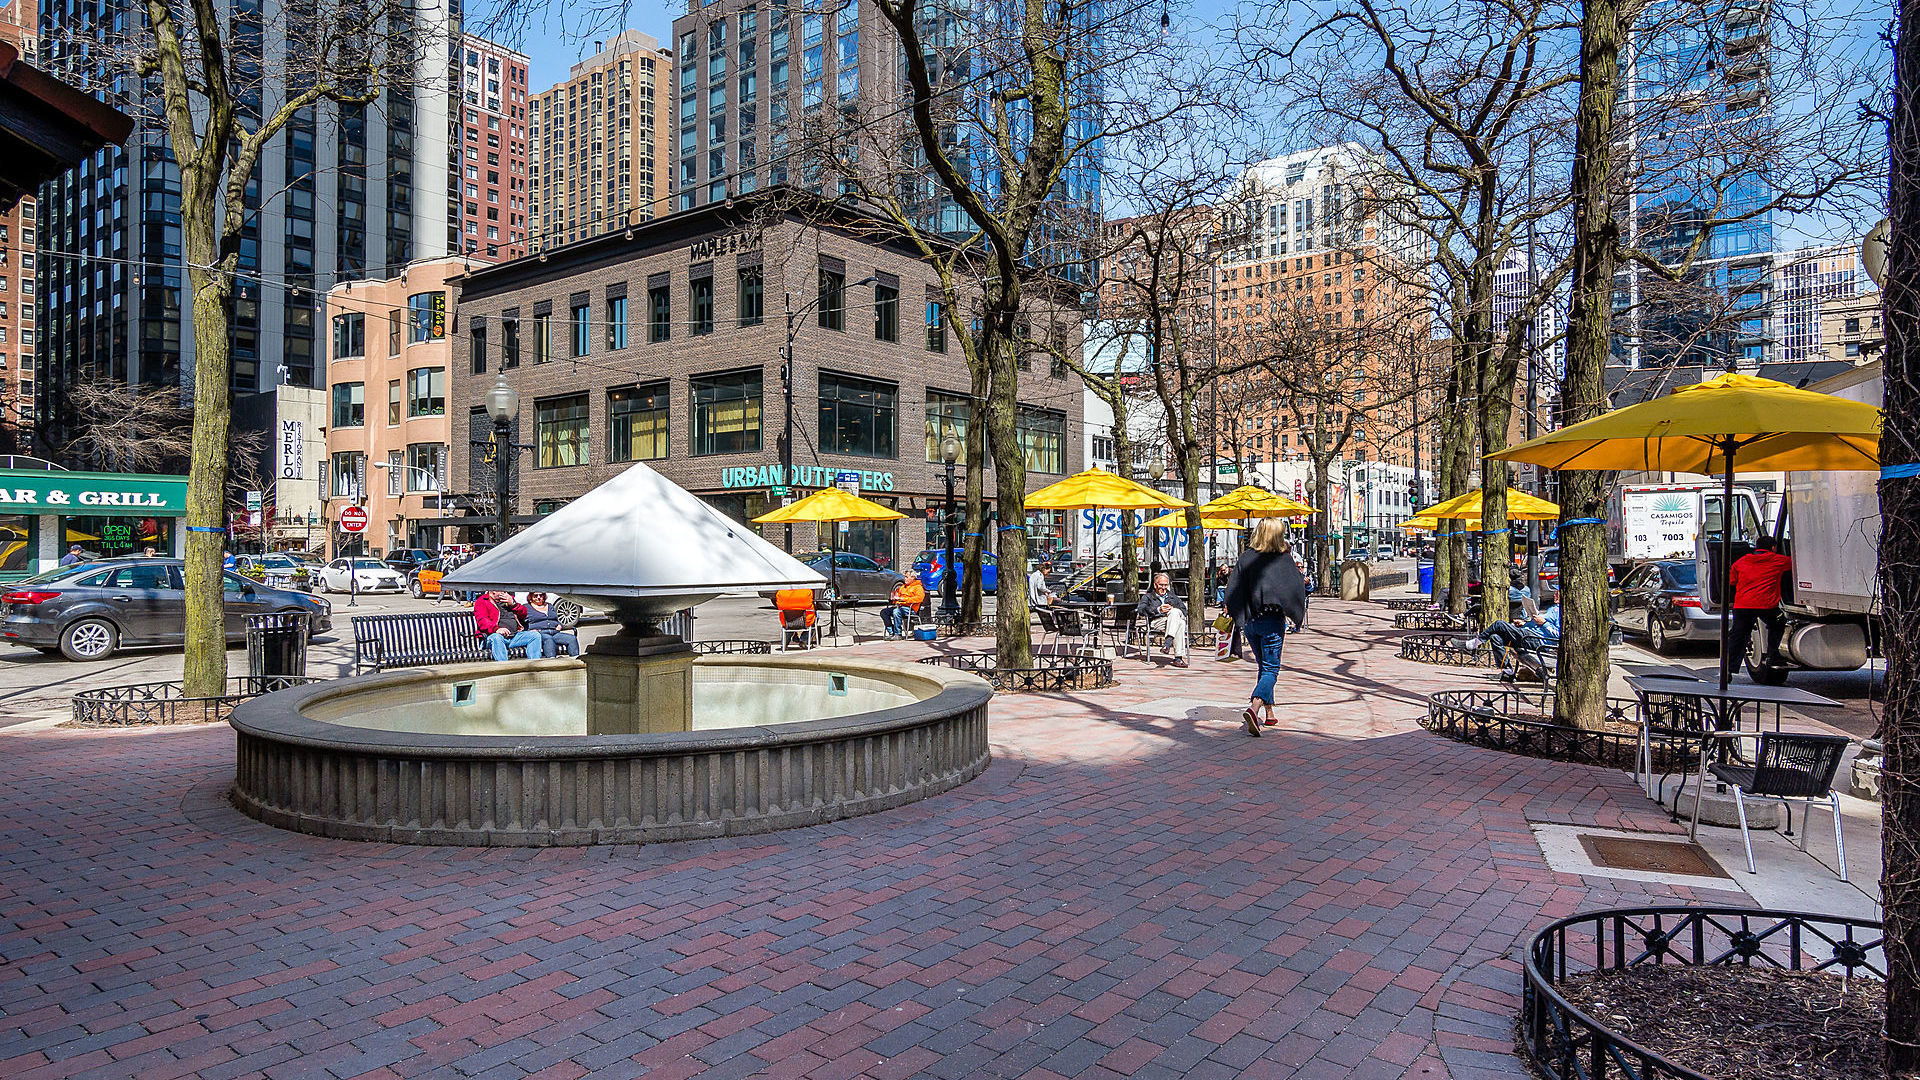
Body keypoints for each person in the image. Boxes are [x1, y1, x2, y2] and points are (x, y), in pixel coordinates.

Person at [1224, 519, 1309, 737]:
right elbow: (1296, 586)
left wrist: (1236, 613)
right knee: (1271, 669)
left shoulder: (1246, 558)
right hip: (1272, 622)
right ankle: (1255, 708)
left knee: (1263, 666)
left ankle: (1269, 713)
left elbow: (1232, 589)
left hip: (1251, 622)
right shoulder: (1282, 560)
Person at [1726, 534, 1794, 679]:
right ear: (1774, 548)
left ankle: (1729, 669)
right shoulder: (1779, 560)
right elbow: (1794, 566)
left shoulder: (1740, 562)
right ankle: (1772, 655)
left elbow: (1732, 581)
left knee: (1738, 636)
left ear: (1756, 547)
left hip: (1743, 606)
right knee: (1779, 622)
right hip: (1767, 607)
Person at [1453, 597, 1562, 679]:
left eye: (1558, 593)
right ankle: (1508, 671)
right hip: (1527, 635)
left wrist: (1544, 623)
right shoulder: (1552, 608)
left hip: (1536, 641)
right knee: (1495, 637)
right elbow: (1536, 625)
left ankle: (1471, 645)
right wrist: (1524, 623)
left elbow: (1558, 634)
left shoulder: (1561, 612)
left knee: (1499, 624)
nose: (1555, 595)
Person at [1136, 572, 1189, 667]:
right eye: (1161, 585)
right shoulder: (1148, 597)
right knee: (1180, 623)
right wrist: (1157, 610)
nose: (1164, 588)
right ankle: (1178, 658)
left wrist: (1173, 610)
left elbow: (1184, 610)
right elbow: (1140, 609)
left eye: (1165, 585)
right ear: (1155, 585)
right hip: (1157, 621)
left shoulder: (1172, 596)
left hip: (1172, 621)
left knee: (1176, 615)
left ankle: (1167, 644)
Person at [474, 590, 544, 661]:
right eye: (502, 591)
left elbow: (524, 614)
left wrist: (513, 604)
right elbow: (482, 621)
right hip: (494, 637)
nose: (505, 593)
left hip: (514, 636)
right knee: (496, 638)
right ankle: (504, 668)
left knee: (535, 635)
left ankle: (534, 665)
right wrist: (496, 629)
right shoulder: (482, 601)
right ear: (493, 591)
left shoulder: (508, 600)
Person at [523, 592, 578, 657]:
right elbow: (522, 622)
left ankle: (575, 661)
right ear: (531, 597)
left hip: (555, 632)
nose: (538, 597)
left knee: (572, 639)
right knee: (549, 640)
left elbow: (555, 618)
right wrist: (529, 630)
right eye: (535, 596)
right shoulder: (526, 607)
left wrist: (559, 625)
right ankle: (552, 662)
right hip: (540, 633)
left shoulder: (549, 605)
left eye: (540, 595)